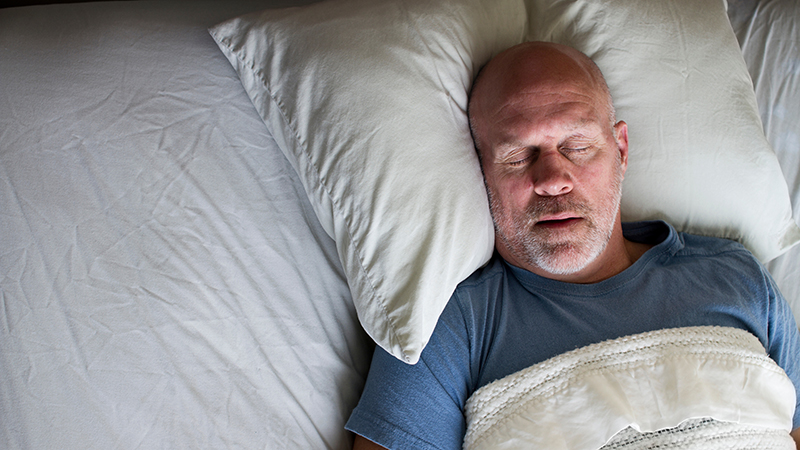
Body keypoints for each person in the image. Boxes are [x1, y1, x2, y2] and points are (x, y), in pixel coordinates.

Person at [346, 41, 800, 450]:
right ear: (482, 170)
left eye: (577, 145)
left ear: (621, 150)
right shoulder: (448, 325)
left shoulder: (736, 275)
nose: (552, 180)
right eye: (518, 156)